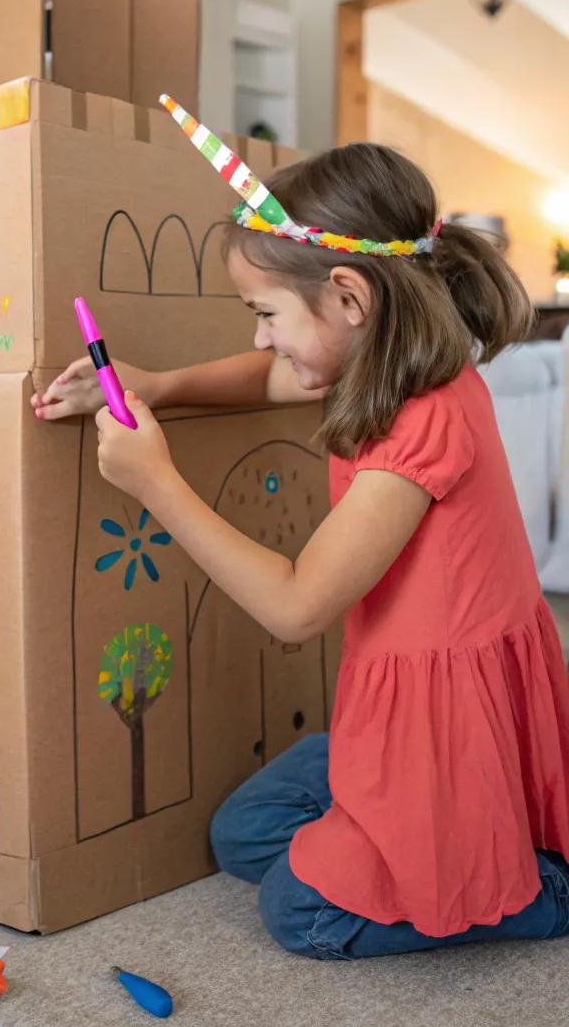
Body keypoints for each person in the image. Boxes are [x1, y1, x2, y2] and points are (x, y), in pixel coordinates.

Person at [33, 142, 569, 957]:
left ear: (349, 296)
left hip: (445, 721)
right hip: (402, 702)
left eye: (267, 313)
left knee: (299, 911)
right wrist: (160, 384)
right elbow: (270, 378)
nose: (261, 337)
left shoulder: (426, 422)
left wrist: (157, 484)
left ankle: (539, 888)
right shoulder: (377, 360)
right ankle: (411, 834)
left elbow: (297, 604)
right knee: (243, 835)